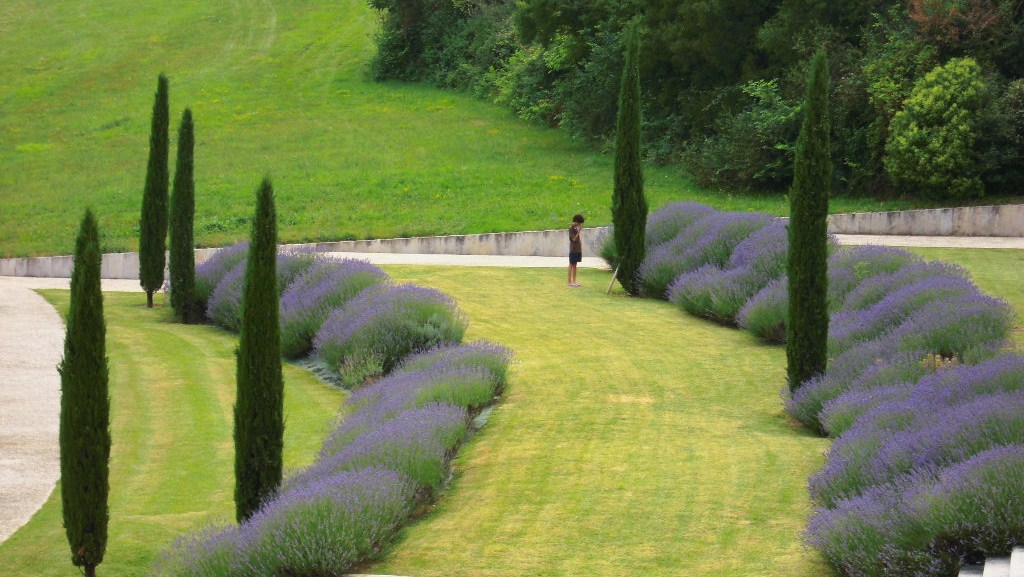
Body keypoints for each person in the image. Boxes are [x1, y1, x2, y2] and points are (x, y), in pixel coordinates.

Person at [568, 214, 584, 287]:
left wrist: (578, 230)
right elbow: (574, 239)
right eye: (579, 223)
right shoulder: (571, 228)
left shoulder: (575, 227)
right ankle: (569, 282)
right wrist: (578, 232)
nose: (580, 224)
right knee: (571, 265)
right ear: (576, 221)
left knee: (575, 265)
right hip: (573, 249)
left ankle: (574, 281)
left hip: (577, 249)